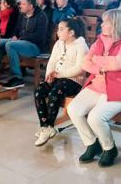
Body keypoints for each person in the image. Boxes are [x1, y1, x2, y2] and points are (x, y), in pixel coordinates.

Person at [67, 9, 121, 167]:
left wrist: (97, 59)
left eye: (106, 21)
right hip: (98, 85)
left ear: (116, 24)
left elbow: (118, 64)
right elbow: (85, 63)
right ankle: (92, 144)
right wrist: (101, 68)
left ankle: (109, 148)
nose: (102, 24)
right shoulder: (100, 40)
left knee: (95, 117)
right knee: (73, 109)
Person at [33, 18, 89, 147]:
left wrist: (59, 74)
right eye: (58, 29)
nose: (58, 32)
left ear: (71, 32)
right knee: (39, 91)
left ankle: (49, 126)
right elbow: (52, 61)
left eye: (61, 29)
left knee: (54, 92)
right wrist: (49, 74)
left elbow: (79, 69)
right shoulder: (59, 43)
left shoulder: (81, 45)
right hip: (58, 78)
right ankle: (45, 126)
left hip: (74, 81)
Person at [1, 0, 50, 89]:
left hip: (35, 46)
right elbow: (16, 29)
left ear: (31, 6)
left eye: (23, 4)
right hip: (21, 42)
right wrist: (15, 35)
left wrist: (21, 38)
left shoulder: (41, 16)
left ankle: (17, 77)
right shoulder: (22, 15)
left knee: (10, 45)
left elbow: (39, 36)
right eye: (20, 4)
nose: (20, 6)